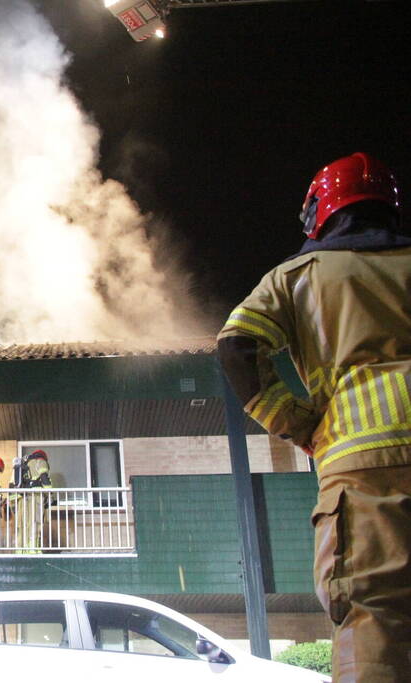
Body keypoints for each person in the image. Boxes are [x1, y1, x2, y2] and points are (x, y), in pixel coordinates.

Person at [217, 153, 411, 681]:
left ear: (318, 212)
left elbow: (237, 346)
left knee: (373, 617)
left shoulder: (297, 277)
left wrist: (299, 424)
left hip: (364, 475)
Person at [11, 450, 53, 552]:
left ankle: (20, 552)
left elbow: (12, 485)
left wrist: (13, 505)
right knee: (35, 523)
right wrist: (50, 495)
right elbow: (44, 478)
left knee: (22, 525)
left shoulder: (21, 466)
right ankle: (33, 550)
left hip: (22, 498)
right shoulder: (40, 462)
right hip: (36, 496)